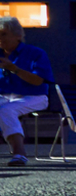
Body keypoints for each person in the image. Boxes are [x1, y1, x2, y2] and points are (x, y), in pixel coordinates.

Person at [0, 16, 53, 166]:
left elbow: (38, 81)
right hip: (5, 95)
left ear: (17, 35)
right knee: (5, 108)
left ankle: (19, 153)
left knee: (5, 110)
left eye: (3, 34)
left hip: (34, 96)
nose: (0, 38)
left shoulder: (35, 53)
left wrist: (14, 69)